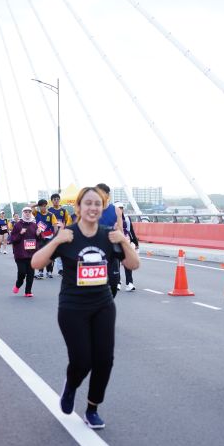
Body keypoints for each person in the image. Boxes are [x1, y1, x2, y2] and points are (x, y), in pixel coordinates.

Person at [31, 186, 139, 429]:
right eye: (88, 203)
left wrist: (124, 240)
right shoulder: (68, 234)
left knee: (104, 360)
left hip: (103, 304)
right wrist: (56, 240)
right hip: (73, 307)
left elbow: (133, 264)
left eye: (97, 204)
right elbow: (36, 263)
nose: (93, 207)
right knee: (82, 360)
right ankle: (70, 387)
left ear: (103, 208)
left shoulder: (108, 235)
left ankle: (92, 408)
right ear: (78, 207)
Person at [96, 183, 123, 297]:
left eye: (101, 193)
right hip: (95, 251)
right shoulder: (93, 210)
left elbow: (121, 231)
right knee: (95, 285)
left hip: (111, 251)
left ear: (107, 195)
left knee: (113, 284)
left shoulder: (116, 210)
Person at [10, 207, 41, 297]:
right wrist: (20, 233)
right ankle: (18, 284)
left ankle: (28, 291)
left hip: (32, 254)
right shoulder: (17, 225)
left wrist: (38, 234)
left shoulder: (34, 225)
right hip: (20, 254)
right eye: (26, 212)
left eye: (29, 212)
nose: (27, 213)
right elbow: (12, 239)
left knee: (31, 274)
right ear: (23, 213)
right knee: (22, 272)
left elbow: (39, 240)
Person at [31, 199, 58, 279]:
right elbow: (30, 206)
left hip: (49, 237)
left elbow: (55, 226)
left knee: (49, 255)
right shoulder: (36, 213)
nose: (43, 208)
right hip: (40, 237)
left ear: (46, 206)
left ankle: (49, 271)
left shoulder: (51, 215)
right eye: (41, 206)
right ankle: (40, 272)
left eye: (44, 206)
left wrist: (56, 237)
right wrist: (38, 204)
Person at [115, 202, 139, 291]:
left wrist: (135, 243)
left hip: (126, 243)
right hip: (116, 243)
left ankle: (129, 283)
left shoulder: (127, 218)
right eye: (118, 208)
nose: (120, 210)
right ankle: (117, 283)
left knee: (127, 263)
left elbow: (131, 231)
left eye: (121, 208)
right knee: (116, 264)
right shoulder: (112, 218)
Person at [48, 193, 71, 277]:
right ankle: (50, 270)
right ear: (51, 201)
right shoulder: (49, 210)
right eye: (54, 199)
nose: (56, 201)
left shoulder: (64, 211)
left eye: (58, 199)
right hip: (51, 234)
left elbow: (67, 221)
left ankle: (61, 269)